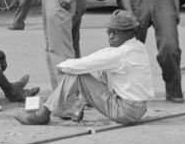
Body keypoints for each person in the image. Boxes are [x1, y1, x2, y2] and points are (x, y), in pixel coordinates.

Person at [15, 10, 154, 126]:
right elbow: (98, 58)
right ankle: (76, 107)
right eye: (109, 32)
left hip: (125, 111)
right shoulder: (137, 47)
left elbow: (82, 65)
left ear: (130, 33)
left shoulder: (120, 54)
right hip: (139, 109)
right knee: (100, 70)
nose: (110, 36)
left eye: (116, 33)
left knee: (78, 74)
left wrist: (62, 67)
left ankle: (43, 113)